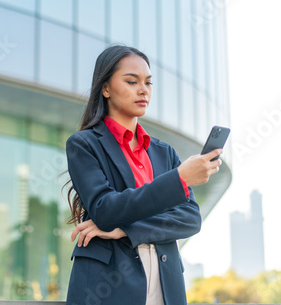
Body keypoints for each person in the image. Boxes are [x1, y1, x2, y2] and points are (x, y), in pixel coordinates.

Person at [64, 45, 222, 305]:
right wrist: (179, 179)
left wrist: (126, 229)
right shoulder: (84, 145)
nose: (143, 90)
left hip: (166, 284)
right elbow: (105, 210)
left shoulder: (164, 152)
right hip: (107, 286)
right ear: (105, 89)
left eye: (148, 83)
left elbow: (190, 218)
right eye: (131, 81)